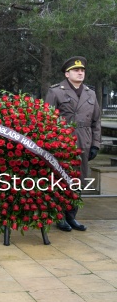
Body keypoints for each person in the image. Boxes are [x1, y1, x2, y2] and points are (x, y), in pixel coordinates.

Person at [45, 56, 100, 232]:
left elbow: (96, 121)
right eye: (76, 70)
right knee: (61, 180)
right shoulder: (55, 92)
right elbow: (47, 119)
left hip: (84, 140)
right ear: (67, 74)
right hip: (62, 142)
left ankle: (72, 216)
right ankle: (59, 216)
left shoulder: (90, 93)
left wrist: (95, 145)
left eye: (82, 70)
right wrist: (51, 144)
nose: (80, 72)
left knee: (78, 181)